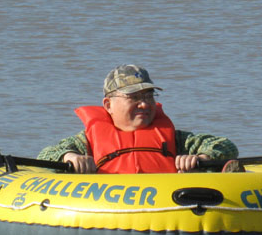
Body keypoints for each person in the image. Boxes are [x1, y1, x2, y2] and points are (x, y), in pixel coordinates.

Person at [38, 65, 238, 174]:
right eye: (134, 98)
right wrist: (70, 157)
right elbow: (46, 155)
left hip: (170, 206)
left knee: (210, 170)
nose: (144, 104)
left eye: (149, 96)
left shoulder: (177, 140)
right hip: (107, 209)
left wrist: (200, 159)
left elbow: (225, 145)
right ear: (108, 105)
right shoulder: (86, 142)